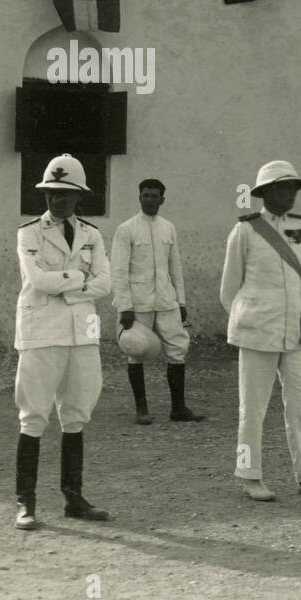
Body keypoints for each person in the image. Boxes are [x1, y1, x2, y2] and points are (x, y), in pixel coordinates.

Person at [220, 160, 301, 502]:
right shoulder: (245, 231)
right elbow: (228, 291)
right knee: (252, 409)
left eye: (294, 188)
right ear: (267, 192)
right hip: (257, 333)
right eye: (284, 187)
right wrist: (250, 319)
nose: (291, 193)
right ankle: (249, 475)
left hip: (296, 332)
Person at [12, 154, 111, 530]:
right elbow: (38, 281)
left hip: (82, 333)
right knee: (33, 415)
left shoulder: (92, 234)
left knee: (76, 413)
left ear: (79, 196)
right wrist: (79, 282)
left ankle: (74, 498)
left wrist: (65, 283)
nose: (57, 200)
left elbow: (106, 283)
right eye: (52, 192)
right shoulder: (29, 233)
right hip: (41, 332)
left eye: (65, 194)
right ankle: (26, 503)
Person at [110, 178, 206, 425]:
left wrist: (181, 301)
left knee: (178, 350)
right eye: (146, 195)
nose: (150, 200)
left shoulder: (168, 228)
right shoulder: (126, 229)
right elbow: (118, 271)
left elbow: (176, 267)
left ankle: (178, 408)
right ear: (139, 197)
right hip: (138, 303)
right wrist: (125, 306)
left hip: (166, 300)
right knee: (136, 350)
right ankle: (142, 410)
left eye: (155, 196)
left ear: (163, 200)